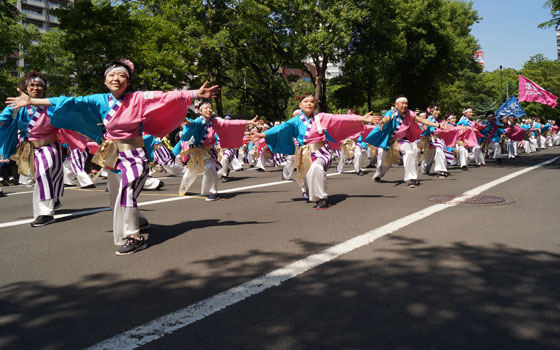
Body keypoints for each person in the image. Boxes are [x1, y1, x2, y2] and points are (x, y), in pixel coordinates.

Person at [6, 59, 219, 255]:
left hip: (135, 155)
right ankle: (138, 219)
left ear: (128, 80)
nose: (116, 79)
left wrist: (194, 94)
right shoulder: (98, 100)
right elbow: (68, 102)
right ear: (105, 79)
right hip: (112, 155)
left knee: (126, 192)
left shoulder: (138, 98)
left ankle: (134, 236)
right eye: (111, 75)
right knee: (117, 197)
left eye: (121, 75)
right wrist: (32, 101)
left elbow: (165, 96)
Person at [251, 92, 378, 209]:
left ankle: (322, 198)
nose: (309, 104)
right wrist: (263, 135)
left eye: (311, 101)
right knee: (306, 179)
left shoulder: (321, 117)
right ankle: (308, 191)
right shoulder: (295, 121)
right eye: (306, 101)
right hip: (304, 154)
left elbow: (339, 118)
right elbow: (281, 128)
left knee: (316, 168)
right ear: (300, 105)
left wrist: (361, 118)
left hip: (321, 151)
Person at [0, 71, 82, 226]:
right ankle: (54, 200)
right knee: (41, 176)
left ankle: (46, 212)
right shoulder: (17, 106)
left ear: (44, 89)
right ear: (25, 87)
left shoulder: (50, 104)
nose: (36, 88)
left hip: (50, 145)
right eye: (32, 85)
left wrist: (34, 101)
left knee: (45, 173)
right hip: (30, 148)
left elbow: (68, 102)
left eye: (39, 85)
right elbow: (2, 120)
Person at [173, 101, 255, 200]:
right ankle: (183, 189)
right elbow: (192, 122)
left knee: (210, 167)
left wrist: (248, 122)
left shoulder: (216, 121)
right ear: (200, 111)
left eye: (210, 108)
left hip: (209, 151)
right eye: (206, 108)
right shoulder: (198, 121)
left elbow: (229, 123)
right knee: (190, 171)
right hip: (197, 151)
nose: (209, 110)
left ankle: (213, 192)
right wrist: (187, 121)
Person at [366, 95, 448, 188]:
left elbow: (422, 120)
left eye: (406, 103)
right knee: (386, 163)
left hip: (403, 141)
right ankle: (378, 175)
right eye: (402, 103)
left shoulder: (409, 113)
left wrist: (439, 125)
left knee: (409, 152)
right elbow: (387, 118)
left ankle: (412, 178)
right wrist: (382, 121)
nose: (405, 105)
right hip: (391, 142)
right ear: (396, 104)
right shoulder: (391, 112)